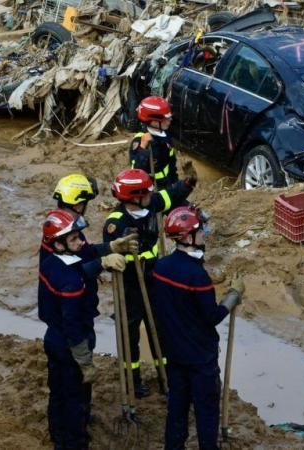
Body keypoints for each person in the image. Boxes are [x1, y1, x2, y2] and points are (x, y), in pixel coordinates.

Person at [151, 205, 245, 450]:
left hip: (173, 352)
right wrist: (232, 296)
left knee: (177, 407)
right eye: (200, 230)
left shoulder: (161, 267)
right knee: (206, 411)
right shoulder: (197, 276)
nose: (204, 233)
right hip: (200, 357)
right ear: (188, 237)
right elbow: (211, 317)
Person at [103, 168, 196, 397]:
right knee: (130, 333)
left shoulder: (150, 203)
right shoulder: (115, 223)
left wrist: (187, 183)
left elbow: (168, 196)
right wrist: (123, 250)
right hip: (129, 283)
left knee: (160, 328)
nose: (150, 196)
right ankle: (132, 381)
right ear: (134, 196)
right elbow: (109, 255)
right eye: (146, 193)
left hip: (153, 277)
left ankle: (166, 376)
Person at [38, 209, 126, 449]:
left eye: (79, 236)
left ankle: (58, 437)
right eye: (74, 238)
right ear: (58, 243)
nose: (81, 241)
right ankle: (76, 441)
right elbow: (73, 324)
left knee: (58, 393)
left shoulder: (50, 262)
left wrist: (108, 249)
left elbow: (82, 258)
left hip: (53, 338)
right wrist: (85, 361)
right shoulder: (71, 282)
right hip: (71, 342)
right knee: (76, 399)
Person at [130, 96, 178, 190]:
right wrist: (142, 149)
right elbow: (136, 173)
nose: (170, 120)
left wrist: (175, 184)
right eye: (166, 118)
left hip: (168, 185)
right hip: (154, 191)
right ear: (154, 122)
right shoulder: (140, 141)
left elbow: (171, 164)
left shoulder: (166, 134)